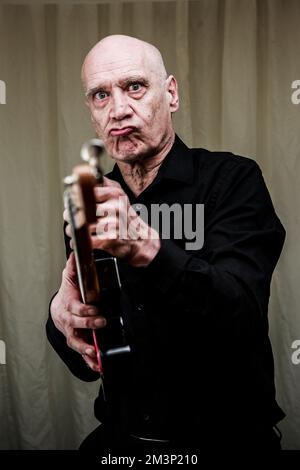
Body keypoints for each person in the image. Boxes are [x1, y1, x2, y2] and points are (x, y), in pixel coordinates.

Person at [46, 34, 286, 452]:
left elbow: (243, 316)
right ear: (91, 111)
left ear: (171, 93)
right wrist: (59, 317)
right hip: (123, 441)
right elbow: (90, 361)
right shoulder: (92, 200)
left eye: (134, 86)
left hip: (227, 441)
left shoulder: (232, 179)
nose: (118, 109)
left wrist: (147, 250)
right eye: (101, 95)